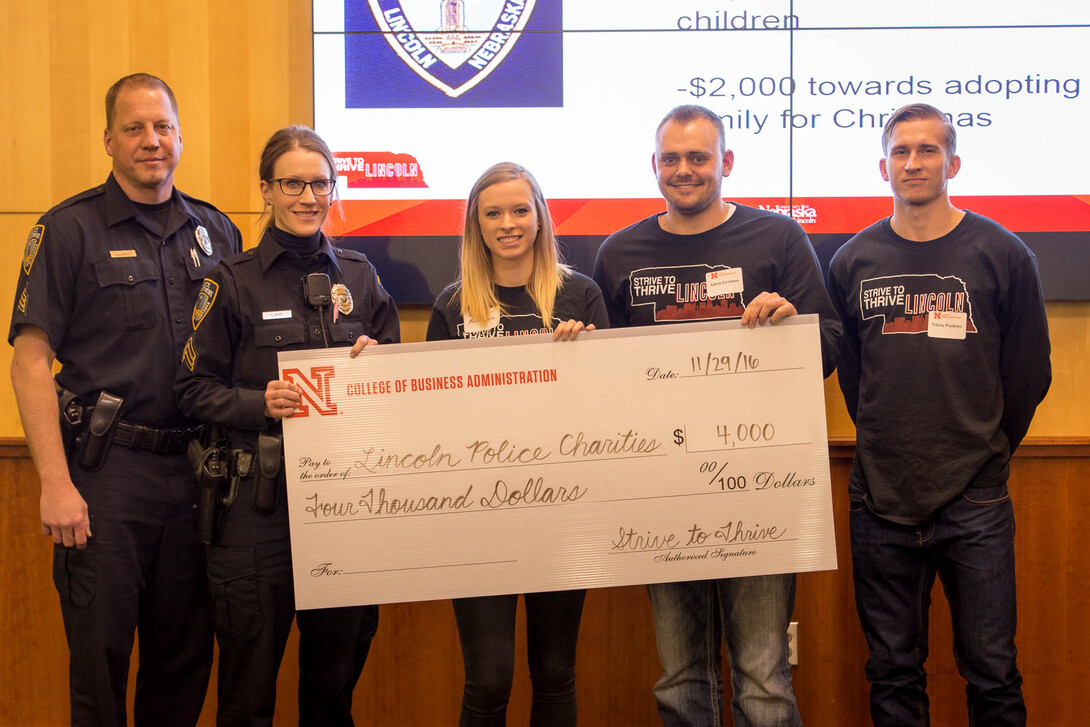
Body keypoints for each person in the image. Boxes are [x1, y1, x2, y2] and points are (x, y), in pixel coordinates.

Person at [592, 104, 840, 727]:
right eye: (671, 159)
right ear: (654, 167)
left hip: (759, 486)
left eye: (699, 157)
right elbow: (598, 381)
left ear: (725, 162)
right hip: (661, 491)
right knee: (679, 680)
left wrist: (791, 325)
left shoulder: (778, 238)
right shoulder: (620, 252)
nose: (685, 170)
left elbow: (831, 346)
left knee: (763, 679)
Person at [7, 73, 240, 726]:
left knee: (186, 660)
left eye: (162, 126)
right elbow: (29, 361)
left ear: (180, 137)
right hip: (107, 474)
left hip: (197, 471)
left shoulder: (217, 233)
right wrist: (54, 482)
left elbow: (245, 351)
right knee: (100, 666)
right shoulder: (67, 229)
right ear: (108, 139)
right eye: (134, 128)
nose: (150, 141)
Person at [827, 103, 1051, 726]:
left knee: (992, 672)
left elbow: (1029, 374)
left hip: (974, 501)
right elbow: (854, 377)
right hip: (879, 499)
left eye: (927, 151)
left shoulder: (1002, 253)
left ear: (953, 162)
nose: (913, 162)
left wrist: (987, 454)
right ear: (883, 166)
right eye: (901, 151)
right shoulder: (851, 261)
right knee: (893, 673)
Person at [174, 125, 400, 725]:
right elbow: (191, 390)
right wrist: (259, 403)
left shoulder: (362, 277)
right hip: (257, 507)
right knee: (248, 693)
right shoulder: (230, 279)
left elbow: (399, 387)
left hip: (345, 505)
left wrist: (379, 374)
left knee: (332, 690)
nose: (308, 196)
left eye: (320, 183)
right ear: (267, 190)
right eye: (292, 183)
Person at [427, 161, 608, 726]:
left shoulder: (581, 296)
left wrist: (590, 359)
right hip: (478, 518)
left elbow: (614, 412)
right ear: (475, 226)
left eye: (520, 210)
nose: (508, 223)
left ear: (541, 217)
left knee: (555, 674)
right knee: (488, 680)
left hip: (563, 513)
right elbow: (430, 417)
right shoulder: (453, 308)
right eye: (494, 213)